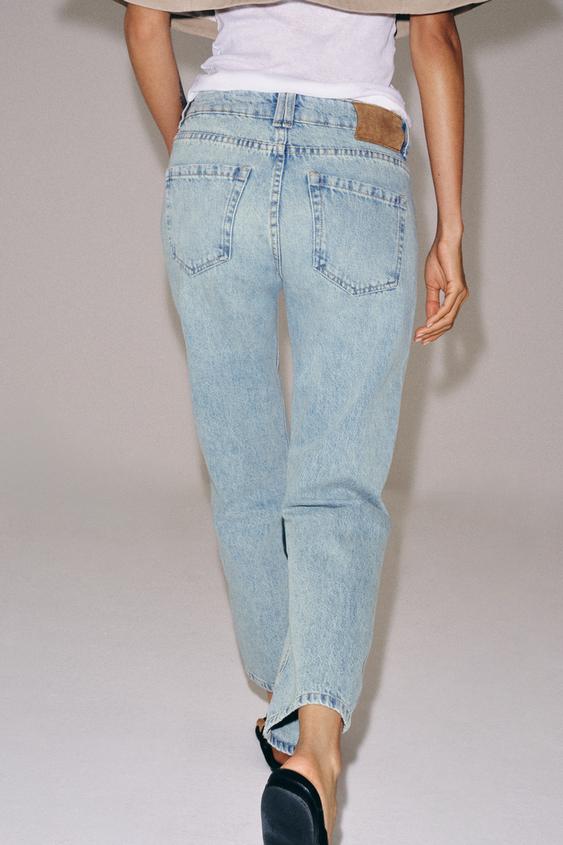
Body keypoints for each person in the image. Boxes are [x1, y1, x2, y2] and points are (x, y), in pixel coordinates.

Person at [117, 1, 485, 841]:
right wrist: (451, 227)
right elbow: (434, 36)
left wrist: (194, 156)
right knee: (337, 478)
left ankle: (283, 710)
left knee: (242, 462)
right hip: (353, 152)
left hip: (216, 147)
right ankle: (313, 747)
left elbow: (143, 22)